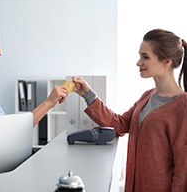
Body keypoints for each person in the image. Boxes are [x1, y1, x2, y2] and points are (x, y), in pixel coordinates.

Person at [72, 29, 187, 191]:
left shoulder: (183, 106)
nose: (138, 63)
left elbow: (183, 169)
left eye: (145, 57)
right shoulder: (147, 96)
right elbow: (119, 125)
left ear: (166, 61)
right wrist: (88, 94)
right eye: (140, 56)